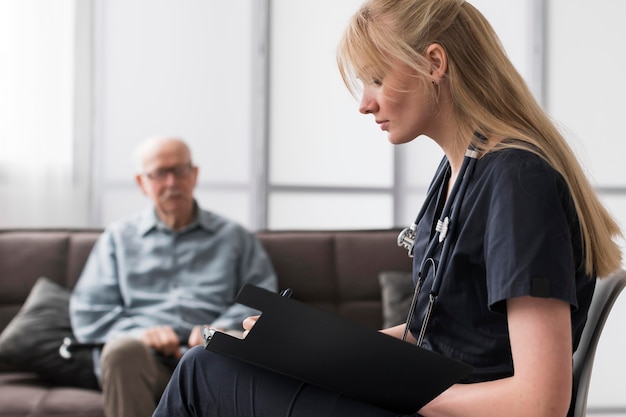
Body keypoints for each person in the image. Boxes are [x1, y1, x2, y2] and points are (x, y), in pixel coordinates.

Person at [152, 1, 623, 416]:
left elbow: (539, 402)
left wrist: (411, 393)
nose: (364, 103)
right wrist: (301, 349)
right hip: (430, 403)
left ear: (433, 62)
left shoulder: (516, 182)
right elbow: (434, 333)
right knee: (222, 359)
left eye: (376, 78)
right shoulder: (460, 170)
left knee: (201, 372)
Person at [69, 136, 278, 417]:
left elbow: (263, 299)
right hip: (145, 362)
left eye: (179, 171)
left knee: (221, 358)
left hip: (211, 360)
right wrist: (140, 334)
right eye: (159, 174)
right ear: (142, 183)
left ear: (194, 175)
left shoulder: (236, 238)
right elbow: (89, 312)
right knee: (122, 352)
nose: (171, 183)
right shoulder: (117, 239)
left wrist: (219, 332)